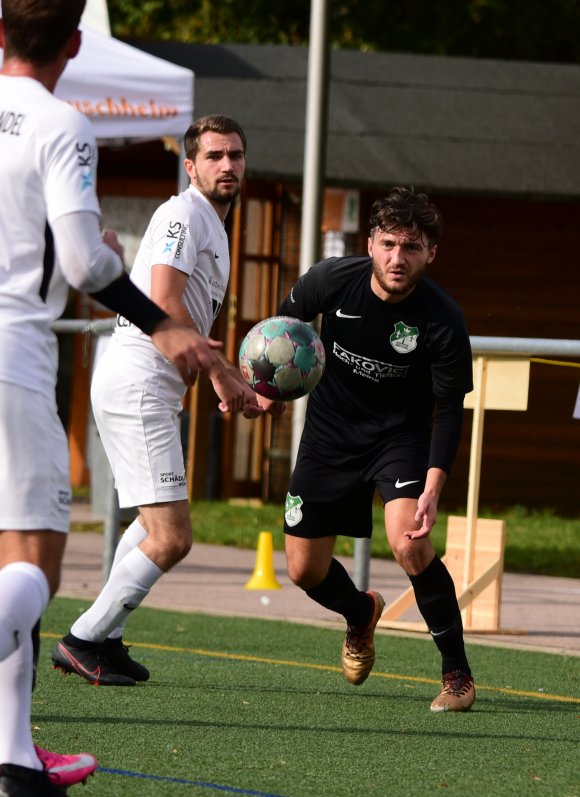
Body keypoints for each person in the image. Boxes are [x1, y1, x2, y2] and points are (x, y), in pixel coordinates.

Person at [0, 1, 223, 794]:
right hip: (14, 357)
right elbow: (82, 268)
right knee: (33, 568)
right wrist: (165, 326)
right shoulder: (61, 124)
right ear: (75, 42)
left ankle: (16, 758)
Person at [53, 114, 282, 687]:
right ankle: (82, 638)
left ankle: (103, 637)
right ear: (191, 166)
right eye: (213, 156)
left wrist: (221, 377)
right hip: (137, 382)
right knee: (172, 537)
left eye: (235, 155)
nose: (227, 165)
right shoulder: (183, 213)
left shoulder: (214, 223)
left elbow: (186, 315)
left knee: (151, 524)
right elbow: (164, 299)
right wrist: (226, 377)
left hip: (148, 386)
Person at [278, 186, 476, 712]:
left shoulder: (443, 318)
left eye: (411, 247)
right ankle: (361, 612)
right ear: (369, 243)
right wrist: (267, 392)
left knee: (409, 544)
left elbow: (449, 410)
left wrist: (434, 484)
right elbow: (282, 334)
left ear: (430, 253)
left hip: (400, 440)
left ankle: (457, 676)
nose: (397, 257)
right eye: (388, 243)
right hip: (328, 435)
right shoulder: (330, 280)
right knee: (302, 569)